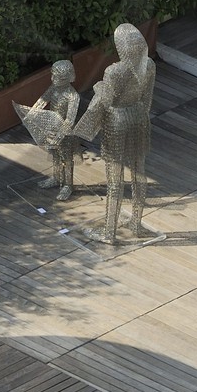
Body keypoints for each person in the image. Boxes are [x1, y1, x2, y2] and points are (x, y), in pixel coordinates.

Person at [73, 21, 156, 243]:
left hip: (117, 120)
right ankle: (136, 224)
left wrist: (98, 87)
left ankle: (109, 232)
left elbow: (107, 101)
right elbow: (146, 101)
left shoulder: (114, 71)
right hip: (139, 117)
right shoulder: (148, 65)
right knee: (139, 172)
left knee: (115, 178)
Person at [19, 59, 81, 200]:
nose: (52, 79)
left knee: (67, 158)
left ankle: (68, 185)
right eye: (52, 75)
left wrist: (61, 134)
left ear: (67, 78)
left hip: (65, 133)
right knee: (55, 155)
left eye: (57, 77)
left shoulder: (73, 96)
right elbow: (42, 100)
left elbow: (70, 119)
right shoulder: (53, 88)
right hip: (51, 128)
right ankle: (56, 177)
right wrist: (31, 114)